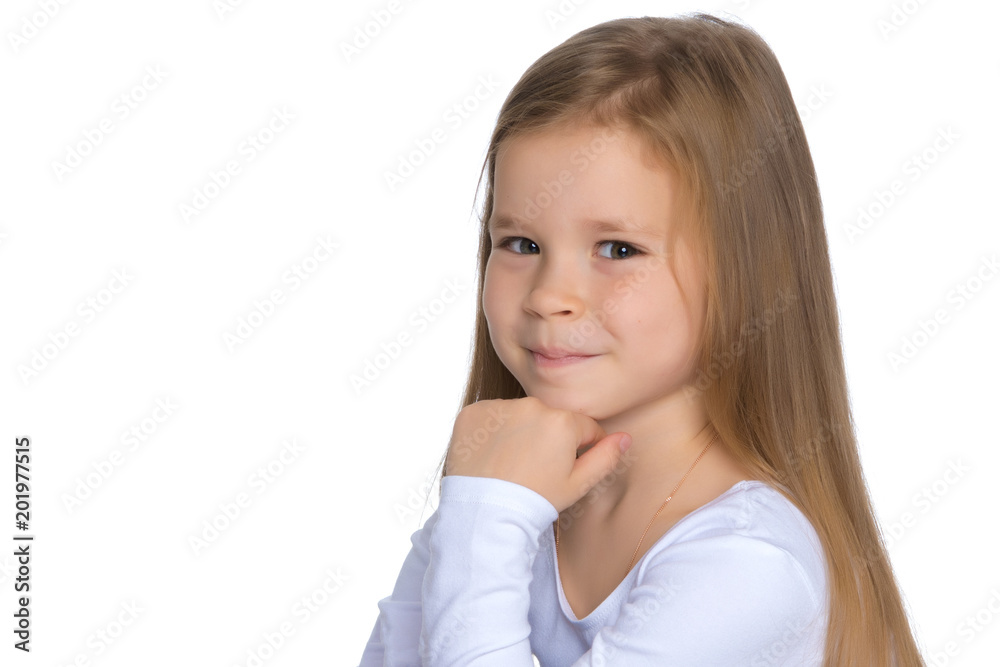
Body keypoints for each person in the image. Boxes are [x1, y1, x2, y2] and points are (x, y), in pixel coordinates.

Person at [359, 12, 925, 666]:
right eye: (520, 243)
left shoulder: (748, 561)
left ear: (743, 270)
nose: (548, 294)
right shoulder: (498, 505)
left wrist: (483, 520)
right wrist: (479, 520)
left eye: (618, 248)